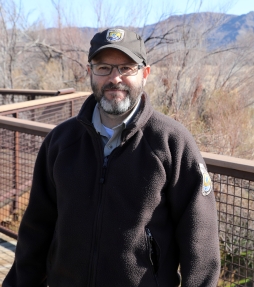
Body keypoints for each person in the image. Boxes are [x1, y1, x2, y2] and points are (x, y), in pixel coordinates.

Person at [3, 28, 220, 287]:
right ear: (90, 73)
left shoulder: (172, 143)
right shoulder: (60, 142)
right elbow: (36, 231)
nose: (115, 78)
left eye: (126, 68)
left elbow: (202, 246)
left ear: (145, 73)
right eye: (104, 67)